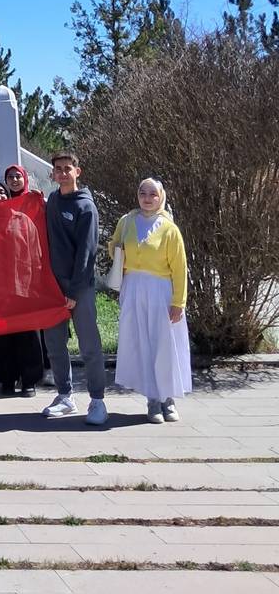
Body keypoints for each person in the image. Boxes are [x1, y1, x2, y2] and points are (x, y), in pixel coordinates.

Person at [109, 177, 190, 423]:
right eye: (142, 193)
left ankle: (168, 399)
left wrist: (179, 302)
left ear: (161, 197)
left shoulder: (169, 228)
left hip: (161, 291)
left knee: (164, 345)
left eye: (152, 194)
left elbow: (179, 267)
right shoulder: (127, 221)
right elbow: (114, 247)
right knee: (142, 344)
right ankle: (152, 400)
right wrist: (116, 248)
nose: (146, 198)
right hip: (134, 288)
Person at [42, 152, 107, 427]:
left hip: (78, 289)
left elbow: (86, 253)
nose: (63, 173)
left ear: (77, 172)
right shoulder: (53, 200)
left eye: (68, 169)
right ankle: (65, 396)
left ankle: (98, 400)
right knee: (55, 345)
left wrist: (72, 290)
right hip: (52, 289)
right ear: (53, 174)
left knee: (89, 345)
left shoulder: (86, 207)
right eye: (58, 169)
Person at [0, 165, 46, 399]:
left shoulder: (22, 220)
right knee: (1, 337)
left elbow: (36, 254)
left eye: (2, 192)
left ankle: (29, 380)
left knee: (26, 336)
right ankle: (6, 379)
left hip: (23, 286)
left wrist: (35, 284)